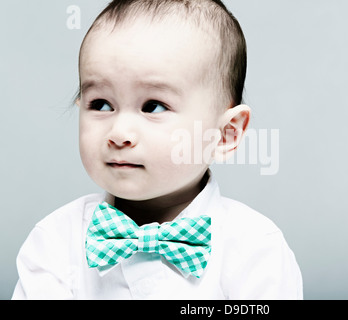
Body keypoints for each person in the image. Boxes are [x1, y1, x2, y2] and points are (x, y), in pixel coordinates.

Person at [12, 0, 302, 299]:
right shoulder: (55, 242)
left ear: (225, 135)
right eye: (101, 104)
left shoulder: (256, 248)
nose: (119, 133)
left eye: (153, 106)